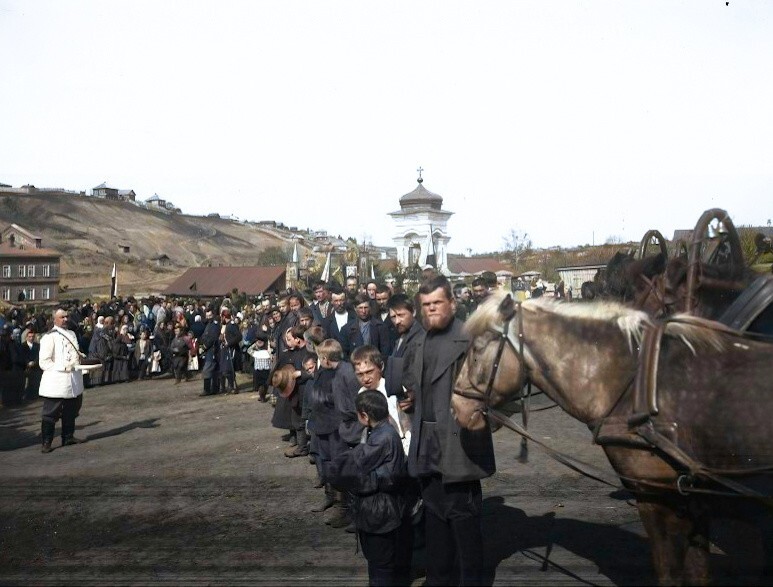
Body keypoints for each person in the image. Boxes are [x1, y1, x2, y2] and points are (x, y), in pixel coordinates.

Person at [406, 275, 495, 585]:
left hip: (460, 446)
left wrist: (483, 420)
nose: (431, 310)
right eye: (426, 304)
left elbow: (498, 395)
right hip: (427, 445)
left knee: (465, 529)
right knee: (435, 523)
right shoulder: (419, 340)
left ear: (452, 304)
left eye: (437, 303)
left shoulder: (473, 339)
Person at [325, 389, 412, 586]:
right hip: (381, 508)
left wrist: (335, 468)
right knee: (380, 562)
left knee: (381, 563)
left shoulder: (382, 437)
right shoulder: (382, 431)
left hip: (380, 511)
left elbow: (357, 463)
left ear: (364, 415)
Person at [38, 308, 87, 453]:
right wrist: (64, 367)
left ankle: (68, 437)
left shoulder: (72, 334)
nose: (65, 319)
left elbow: (74, 354)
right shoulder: (49, 337)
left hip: (73, 380)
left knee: (71, 410)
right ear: (54, 319)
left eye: (66, 317)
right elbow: (44, 362)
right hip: (57, 381)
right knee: (50, 413)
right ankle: (46, 442)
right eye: (62, 317)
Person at [246, 331, 272, 401]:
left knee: (261, 385)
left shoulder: (256, 353)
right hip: (265, 370)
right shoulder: (267, 352)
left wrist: (255, 344)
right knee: (264, 384)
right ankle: (263, 396)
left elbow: (249, 350)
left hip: (259, 371)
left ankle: (262, 396)